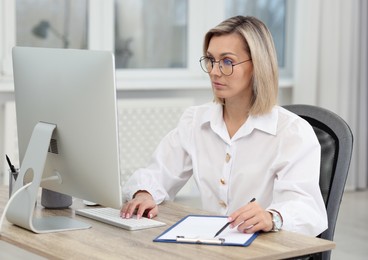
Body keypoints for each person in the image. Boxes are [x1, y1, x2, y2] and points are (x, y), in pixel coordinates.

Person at [121, 15, 327, 237]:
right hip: (212, 246)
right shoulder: (195, 122)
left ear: (258, 65)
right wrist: (144, 193)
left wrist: (272, 217)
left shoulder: (292, 132)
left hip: (266, 248)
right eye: (210, 59)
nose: (214, 71)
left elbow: (307, 209)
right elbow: (158, 173)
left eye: (227, 61)